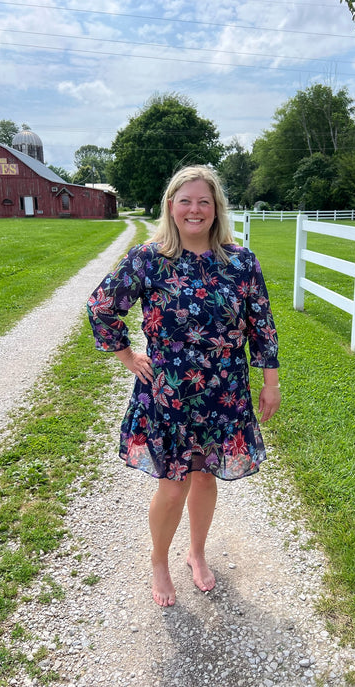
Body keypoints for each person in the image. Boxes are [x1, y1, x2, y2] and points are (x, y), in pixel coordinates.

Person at [87, 165, 280, 607]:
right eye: (186, 201)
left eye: (204, 202)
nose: (195, 210)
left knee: (206, 478)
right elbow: (102, 308)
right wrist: (127, 355)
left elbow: (262, 326)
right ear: (171, 206)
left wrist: (270, 382)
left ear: (216, 210)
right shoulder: (147, 258)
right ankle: (158, 559)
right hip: (169, 394)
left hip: (223, 392)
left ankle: (196, 553)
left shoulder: (240, 261)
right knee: (173, 485)